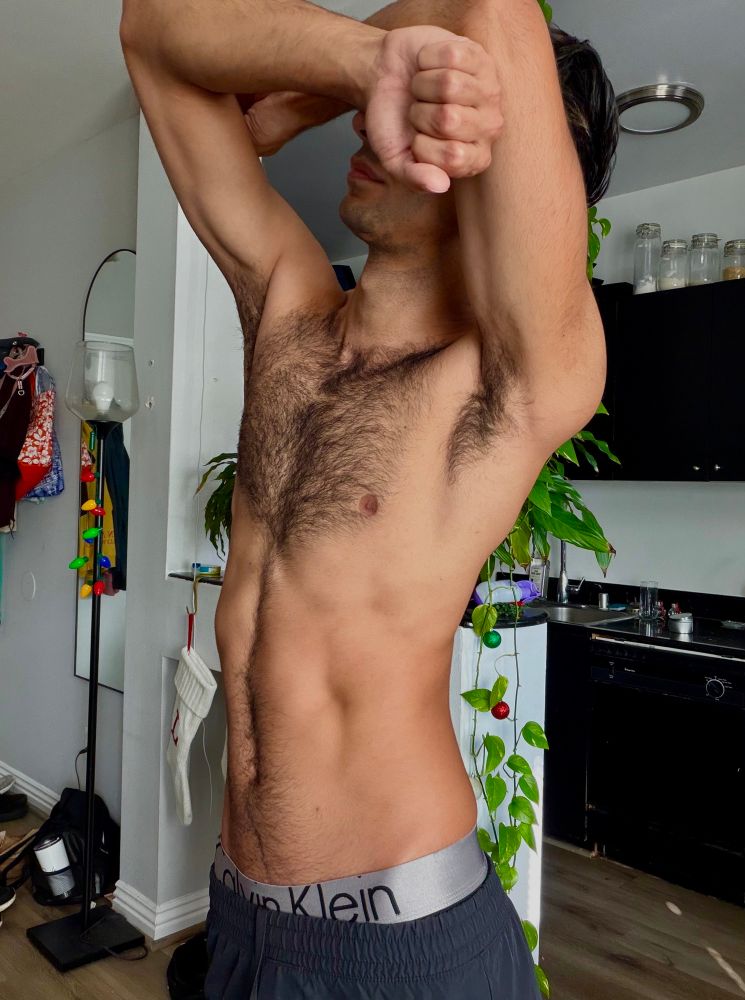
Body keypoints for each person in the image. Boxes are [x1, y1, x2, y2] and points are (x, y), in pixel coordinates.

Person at [120, 0, 618, 995]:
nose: (377, 125)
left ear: (507, 172)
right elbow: (149, 31)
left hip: (400, 953)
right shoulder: (289, 308)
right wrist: (354, 68)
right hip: (239, 922)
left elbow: (493, 9)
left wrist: (349, 82)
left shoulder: (517, 385)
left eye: (440, 111)